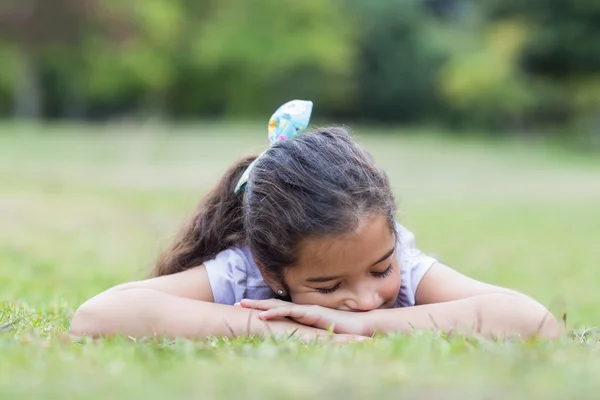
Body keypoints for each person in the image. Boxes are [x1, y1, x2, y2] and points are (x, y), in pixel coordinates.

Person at [70, 100, 561, 343]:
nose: (366, 298)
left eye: (379, 270)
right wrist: (295, 333)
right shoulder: (242, 272)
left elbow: (535, 323)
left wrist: (355, 325)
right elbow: (96, 317)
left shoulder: (402, 268)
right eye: (328, 287)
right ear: (269, 272)